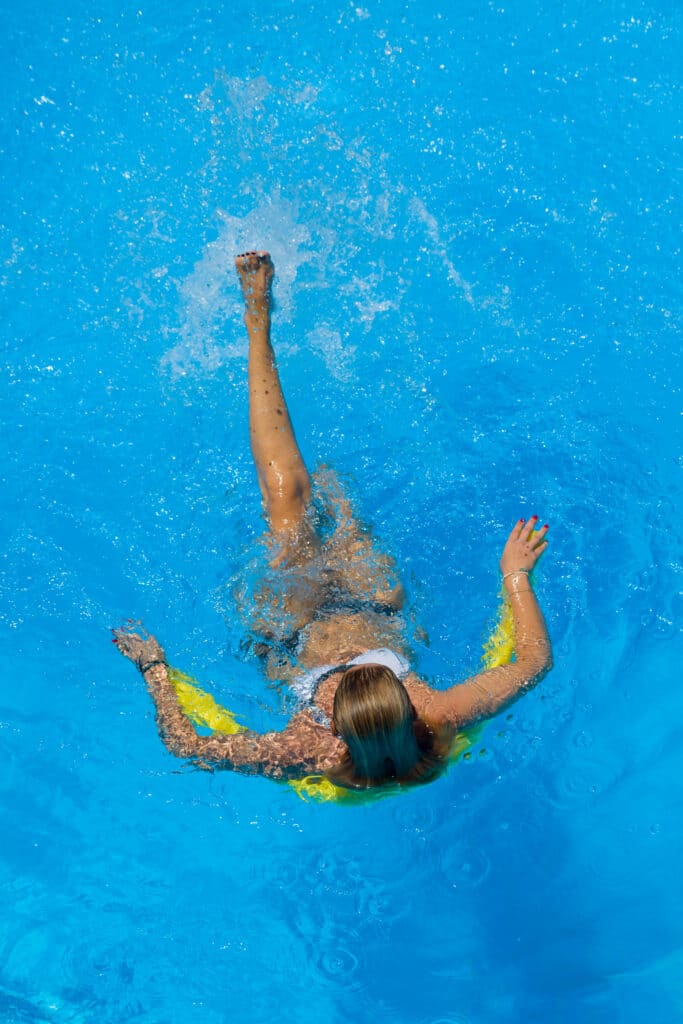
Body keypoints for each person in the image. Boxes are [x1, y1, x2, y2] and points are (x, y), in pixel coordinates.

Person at [113, 251, 552, 790]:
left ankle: (257, 326)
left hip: (294, 631)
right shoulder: (438, 712)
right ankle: (332, 495)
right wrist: (514, 575)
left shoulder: (309, 748)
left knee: (284, 495)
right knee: (337, 501)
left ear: (338, 729)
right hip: (374, 604)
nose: (348, 663)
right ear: (405, 705)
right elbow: (532, 663)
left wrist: (155, 669)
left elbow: (187, 746)